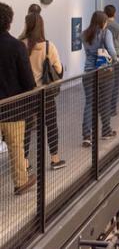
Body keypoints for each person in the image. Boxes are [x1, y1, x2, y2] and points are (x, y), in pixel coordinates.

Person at [0, 2, 37, 195]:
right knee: (16, 146)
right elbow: (28, 80)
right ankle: (20, 182)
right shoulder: (16, 47)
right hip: (13, 108)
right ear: (9, 22)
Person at [21, 13, 65, 170]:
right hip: (45, 94)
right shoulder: (48, 46)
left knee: (26, 128)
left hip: (25, 95)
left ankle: (24, 162)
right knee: (51, 124)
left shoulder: (21, 44)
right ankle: (54, 159)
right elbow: (58, 70)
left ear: (27, 25)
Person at [81, 11, 118, 146]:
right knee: (105, 102)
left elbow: (89, 52)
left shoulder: (85, 34)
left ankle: (86, 135)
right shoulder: (105, 33)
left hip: (88, 72)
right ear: (103, 21)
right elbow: (112, 51)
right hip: (105, 72)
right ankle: (106, 130)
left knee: (89, 103)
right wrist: (116, 59)